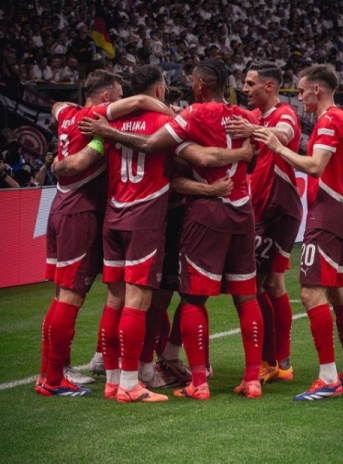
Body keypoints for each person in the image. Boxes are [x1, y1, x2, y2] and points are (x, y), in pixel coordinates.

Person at [80, 59, 263, 400]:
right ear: (160, 89)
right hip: (217, 213)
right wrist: (241, 151)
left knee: (128, 298)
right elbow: (225, 158)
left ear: (200, 84)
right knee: (240, 296)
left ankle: (123, 371)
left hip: (122, 214)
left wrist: (99, 137)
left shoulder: (118, 119)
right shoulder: (242, 117)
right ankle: (247, 377)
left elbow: (88, 146)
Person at [38, 69, 162, 397]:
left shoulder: (67, 112)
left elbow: (57, 106)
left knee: (60, 296)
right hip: (80, 212)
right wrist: (171, 110)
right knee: (71, 297)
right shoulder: (95, 117)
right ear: (106, 97)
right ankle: (54, 379)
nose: (121, 101)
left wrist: (59, 161)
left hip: (60, 207)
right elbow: (138, 101)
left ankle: (49, 372)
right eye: (117, 95)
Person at [254, 64, 343, 401]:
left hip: (326, 214)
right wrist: (339, 172)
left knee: (310, 293)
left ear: (316, 90)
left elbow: (315, 166)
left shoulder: (328, 121)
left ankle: (328, 379)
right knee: (340, 293)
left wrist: (278, 148)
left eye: (303, 91)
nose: (300, 97)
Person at [225, 61, 302, 385]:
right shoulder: (256, 116)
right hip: (261, 207)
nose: (244, 88)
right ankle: (280, 362)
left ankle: (273, 361)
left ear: (269, 86)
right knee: (271, 284)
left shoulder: (285, 114)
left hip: (277, 208)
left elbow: (282, 134)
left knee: (255, 285)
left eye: (250, 83)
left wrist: (253, 131)